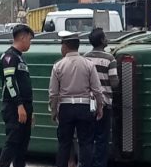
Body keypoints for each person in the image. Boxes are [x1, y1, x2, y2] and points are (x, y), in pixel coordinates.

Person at [49, 31, 104, 167]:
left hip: (66, 108)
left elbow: (53, 93)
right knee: (86, 143)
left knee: (64, 144)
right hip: (84, 107)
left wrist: (54, 110)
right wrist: (100, 107)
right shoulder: (88, 64)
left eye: (62, 45)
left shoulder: (58, 66)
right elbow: (97, 89)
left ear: (66, 46)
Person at [0, 24, 35, 167]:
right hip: (13, 107)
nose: (30, 43)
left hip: (25, 107)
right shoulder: (9, 57)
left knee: (22, 146)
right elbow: (9, 82)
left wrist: (30, 109)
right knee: (12, 143)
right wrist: (19, 105)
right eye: (29, 40)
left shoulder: (20, 58)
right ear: (22, 37)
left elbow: (25, 85)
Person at [84, 28, 119, 167]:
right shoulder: (110, 59)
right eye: (105, 37)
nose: (107, 39)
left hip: (87, 104)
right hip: (104, 104)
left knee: (88, 137)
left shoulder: (85, 57)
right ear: (102, 40)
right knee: (102, 138)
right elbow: (114, 82)